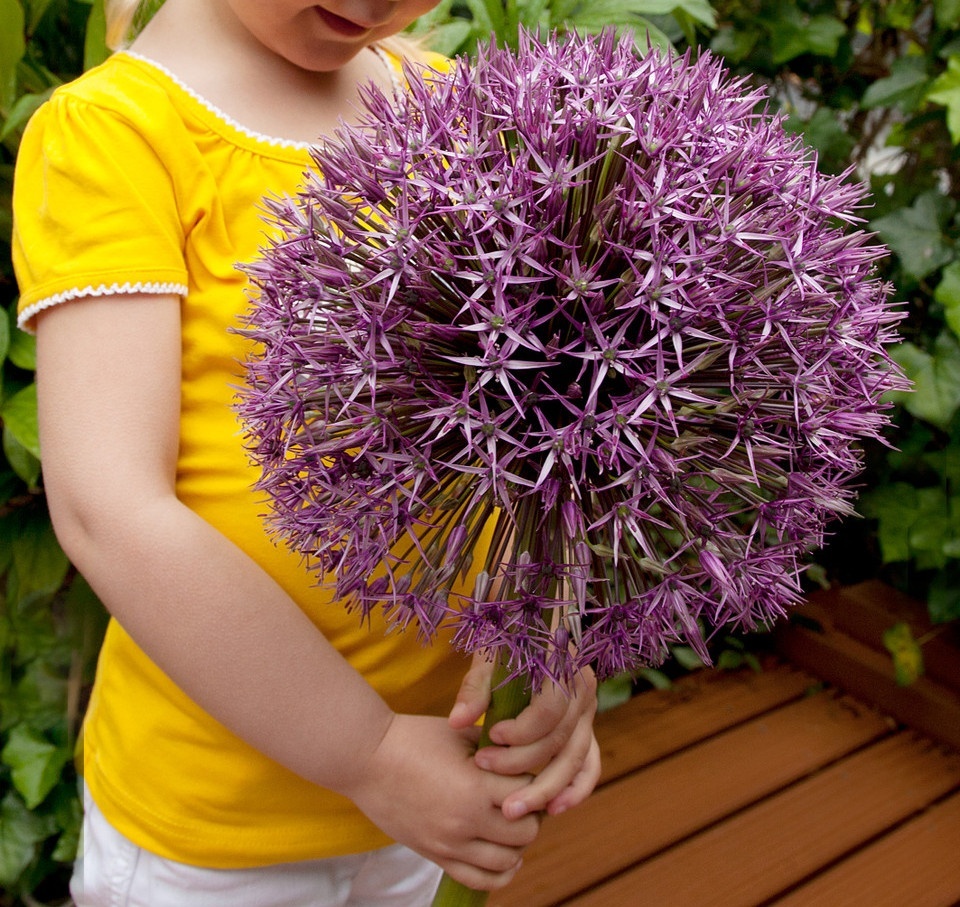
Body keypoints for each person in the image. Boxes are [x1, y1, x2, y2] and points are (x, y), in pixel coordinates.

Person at [12, 1, 601, 905]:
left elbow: (537, 424)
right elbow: (111, 512)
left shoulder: (448, 104)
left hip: (426, 793)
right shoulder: (119, 134)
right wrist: (367, 753)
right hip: (214, 836)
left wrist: (553, 651)